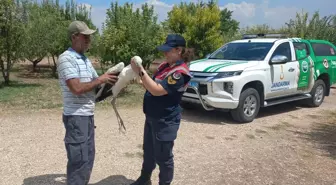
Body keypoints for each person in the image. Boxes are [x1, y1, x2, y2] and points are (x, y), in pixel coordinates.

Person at [57, 21, 119, 185]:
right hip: (76, 117)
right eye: (85, 36)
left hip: (87, 115)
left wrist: (112, 81)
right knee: (79, 161)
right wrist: (100, 79)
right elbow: (76, 88)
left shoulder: (84, 59)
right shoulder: (66, 58)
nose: (89, 39)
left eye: (89, 36)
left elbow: (94, 84)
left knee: (87, 157)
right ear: (74, 37)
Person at [130, 34, 194, 185]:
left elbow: (157, 90)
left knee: (164, 157)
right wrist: (140, 79)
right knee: (149, 151)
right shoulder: (164, 66)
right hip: (152, 116)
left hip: (165, 120)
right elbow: (151, 83)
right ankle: (144, 179)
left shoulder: (180, 73)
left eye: (168, 50)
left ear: (179, 50)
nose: (164, 53)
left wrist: (140, 71)